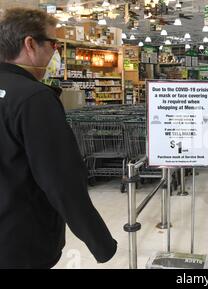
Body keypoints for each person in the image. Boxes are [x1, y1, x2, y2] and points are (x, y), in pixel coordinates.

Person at [0, 8, 117, 268]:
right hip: (21, 242)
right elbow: (61, 180)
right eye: (53, 44)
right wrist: (101, 242)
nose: (56, 53)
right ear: (30, 44)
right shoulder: (34, 98)